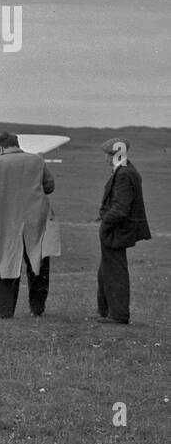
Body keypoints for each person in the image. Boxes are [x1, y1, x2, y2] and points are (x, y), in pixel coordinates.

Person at [0, 132, 57, 318]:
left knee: (5, 262)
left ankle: (5, 310)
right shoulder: (37, 161)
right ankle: (37, 309)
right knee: (38, 262)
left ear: (1, 148)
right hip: (36, 219)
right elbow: (50, 186)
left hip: (6, 220)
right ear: (16, 143)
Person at [93, 138, 151, 325]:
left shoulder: (124, 173)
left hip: (117, 230)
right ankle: (107, 312)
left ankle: (118, 315)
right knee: (106, 271)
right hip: (117, 229)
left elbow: (121, 208)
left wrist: (106, 223)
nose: (105, 158)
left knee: (114, 272)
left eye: (108, 155)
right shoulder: (127, 170)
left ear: (115, 154)